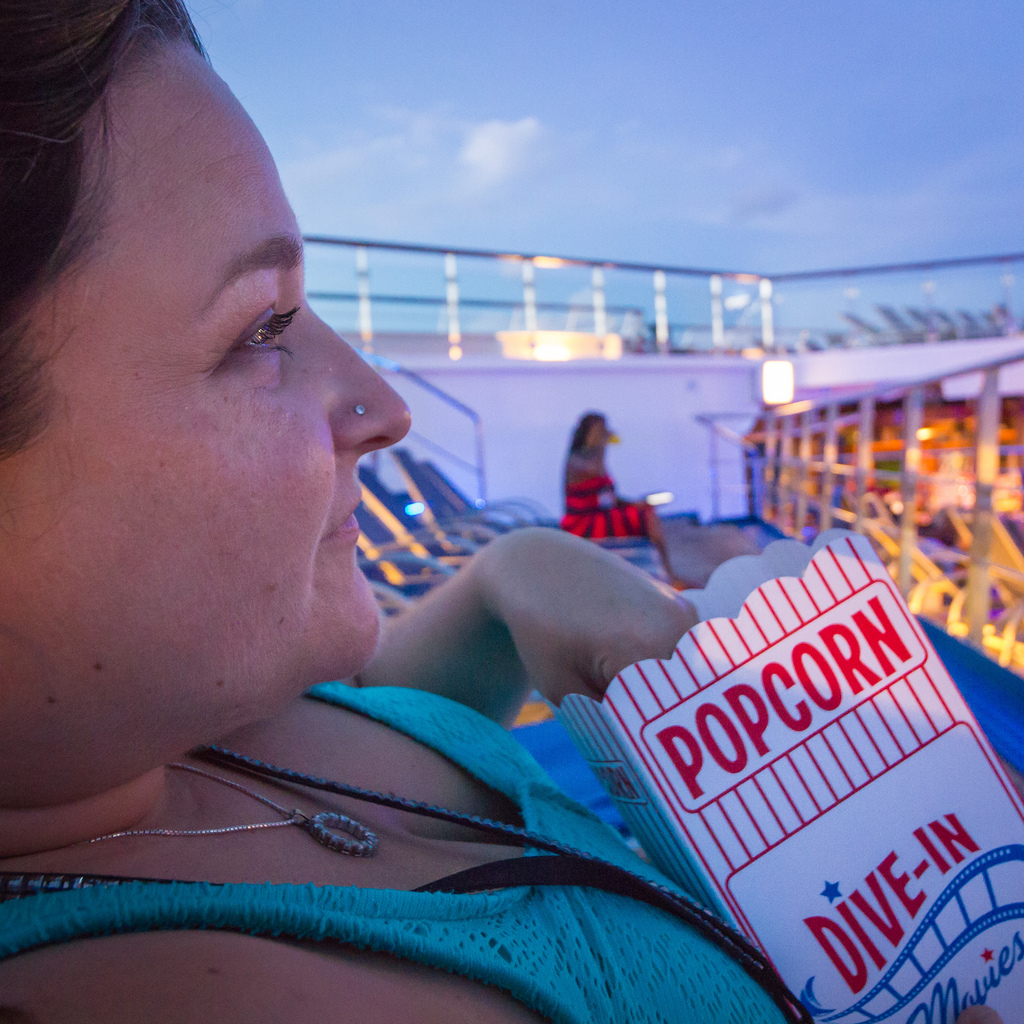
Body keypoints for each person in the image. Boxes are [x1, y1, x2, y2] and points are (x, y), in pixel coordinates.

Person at [0, 6, 999, 1024]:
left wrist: (503, 578)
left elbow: (372, 699)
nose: (386, 408)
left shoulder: (169, 730)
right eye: (261, 326)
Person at [561, 412, 687, 588]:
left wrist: (638, 503)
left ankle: (666, 573)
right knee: (646, 518)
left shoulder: (597, 457)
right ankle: (670, 576)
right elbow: (593, 474)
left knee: (646, 512)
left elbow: (610, 496)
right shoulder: (579, 459)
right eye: (600, 429)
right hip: (583, 523)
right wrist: (601, 447)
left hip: (602, 514)